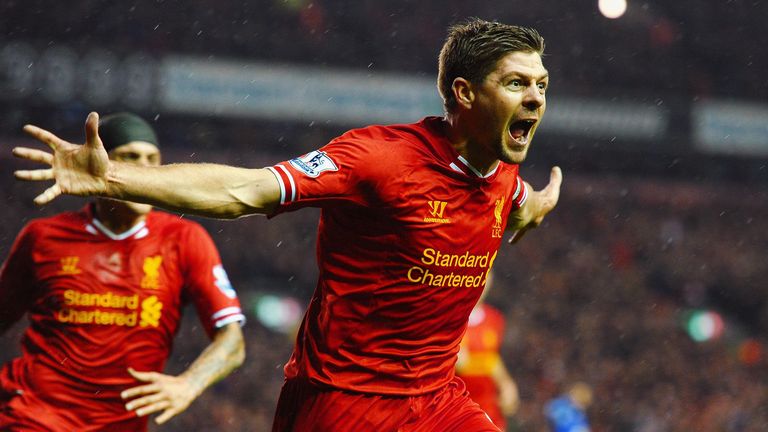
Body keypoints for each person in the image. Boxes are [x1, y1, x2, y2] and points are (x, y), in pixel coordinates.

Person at [14, 18, 561, 432]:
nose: (536, 97)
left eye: (541, 84)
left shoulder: (502, 174)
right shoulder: (378, 159)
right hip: (343, 402)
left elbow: (515, 201)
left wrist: (533, 208)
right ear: (465, 94)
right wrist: (114, 179)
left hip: (439, 401)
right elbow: (245, 191)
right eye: (517, 83)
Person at [1, 113, 246, 431]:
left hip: (121, 424)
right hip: (34, 414)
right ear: (100, 165)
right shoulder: (43, 238)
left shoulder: (184, 240)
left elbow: (232, 343)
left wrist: (187, 384)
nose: (144, 168)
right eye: (130, 157)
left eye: (152, 159)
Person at [456, 272, 520, 431]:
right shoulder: (453, 316)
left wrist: (506, 383)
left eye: (487, 276)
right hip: (457, 404)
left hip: (488, 406)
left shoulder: (495, 319)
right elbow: (459, 364)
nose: (483, 282)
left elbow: (493, 359)